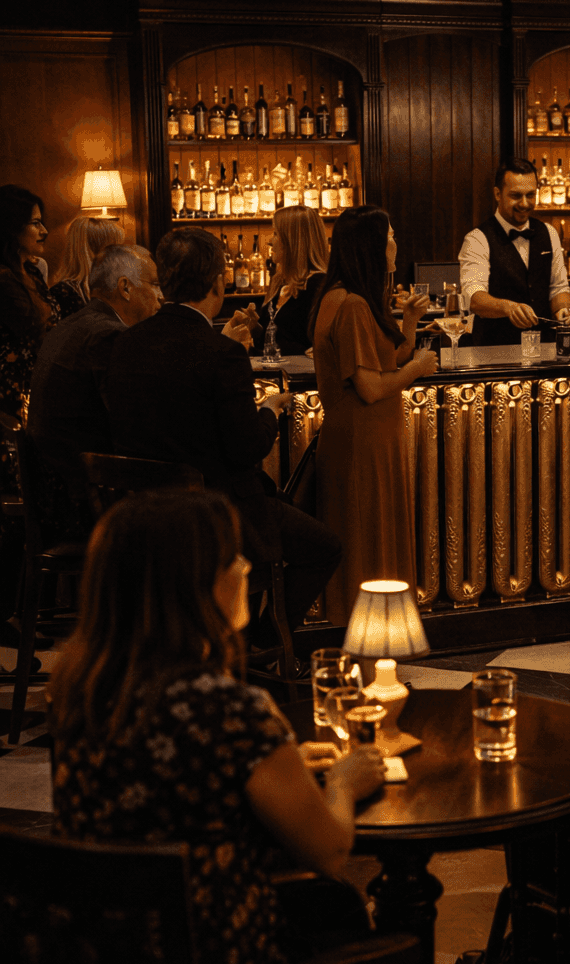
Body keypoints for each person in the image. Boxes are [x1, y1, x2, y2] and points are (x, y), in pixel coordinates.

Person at [48, 488, 385, 964]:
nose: (248, 569)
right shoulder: (234, 711)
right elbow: (331, 849)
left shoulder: (84, 694)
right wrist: (346, 784)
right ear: (192, 585)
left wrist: (277, 772)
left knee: (322, 914)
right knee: (353, 940)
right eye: (232, 558)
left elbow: (174, 802)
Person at [104, 227, 342, 639]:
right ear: (218, 282)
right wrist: (268, 410)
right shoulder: (221, 354)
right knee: (325, 547)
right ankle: (263, 640)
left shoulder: (126, 343)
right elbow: (247, 447)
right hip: (221, 518)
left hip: (143, 518)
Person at [311, 205, 437, 624]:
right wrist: (417, 369)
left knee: (367, 540)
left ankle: (371, 646)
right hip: (365, 442)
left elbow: (383, 361)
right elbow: (370, 387)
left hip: (365, 438)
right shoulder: (352, 307)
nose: (395, 243)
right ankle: (371, 651)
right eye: (390, 236)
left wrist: (410, 321)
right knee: (371, 543)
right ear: (371, 246)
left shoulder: (343, 297)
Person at [0, 186, 84, 637]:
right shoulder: (5, 281)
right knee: (22, 506)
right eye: (34, 222)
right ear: (10, 228)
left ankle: (18, 613)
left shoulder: (28, 273)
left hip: (24, 402)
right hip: (8, 408)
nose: (44, 230)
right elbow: (41, 330)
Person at [28, 245, 162, 520]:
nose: (161, 296)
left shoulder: (72, 325)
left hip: (53, 489)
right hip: (86, 502)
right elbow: (136, 424)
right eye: (156, 284)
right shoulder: (108, 335)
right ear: (125, 287)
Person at [458, 158, 570, 346]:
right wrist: (507, 307)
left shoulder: (549, 233)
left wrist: (563, 309)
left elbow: (558, 287)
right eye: (516, 196)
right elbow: (474, 298)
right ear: (497, 194)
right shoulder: (477, 239)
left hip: (544, 349)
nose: (525, 203)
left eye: (530, 195)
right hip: (495, 352)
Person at [257, 205, 329, 357]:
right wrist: (253, 327)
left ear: (294, 241)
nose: (270, 241)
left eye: (276, 233)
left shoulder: (318, 285)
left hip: (302, 378)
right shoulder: (279, 282)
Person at [47, 214, 125, 313]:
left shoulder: (112, 286)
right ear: (98, 252)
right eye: (116, 248)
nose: (121, 254)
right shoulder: (63, 293)